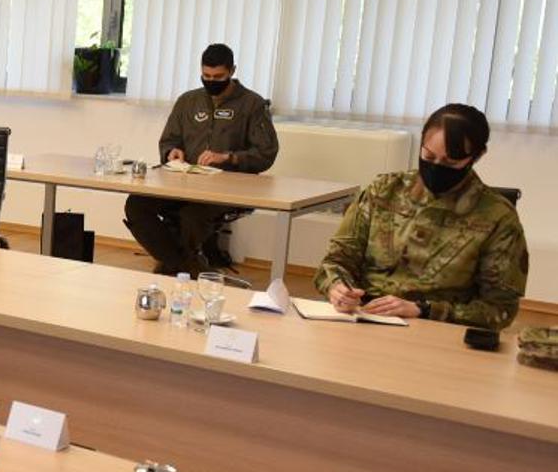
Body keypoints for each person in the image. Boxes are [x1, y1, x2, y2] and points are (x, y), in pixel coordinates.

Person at [315, 103, 527, 330]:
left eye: (450, 162)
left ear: (477, 156)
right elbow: (336, 261)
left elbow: (499, 310)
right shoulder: (383, 191)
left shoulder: (497, 217)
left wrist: (424, 309)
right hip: (363, 317)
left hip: (434, 328)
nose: (436, 167)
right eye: (429, 155)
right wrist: (338, 288)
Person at [124, 43, 279, 275]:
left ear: (232, 71)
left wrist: (229, 157)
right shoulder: (188, 101)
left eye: (218, 77)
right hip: (183, 183)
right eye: (206, 76)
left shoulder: (252, 104)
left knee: (191, 216)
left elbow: (266, 153)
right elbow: (168, 140)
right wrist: (171, 152)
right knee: (137, 204)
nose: (211, 81)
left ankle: (177, 265)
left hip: (228, 189)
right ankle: (185, 265)